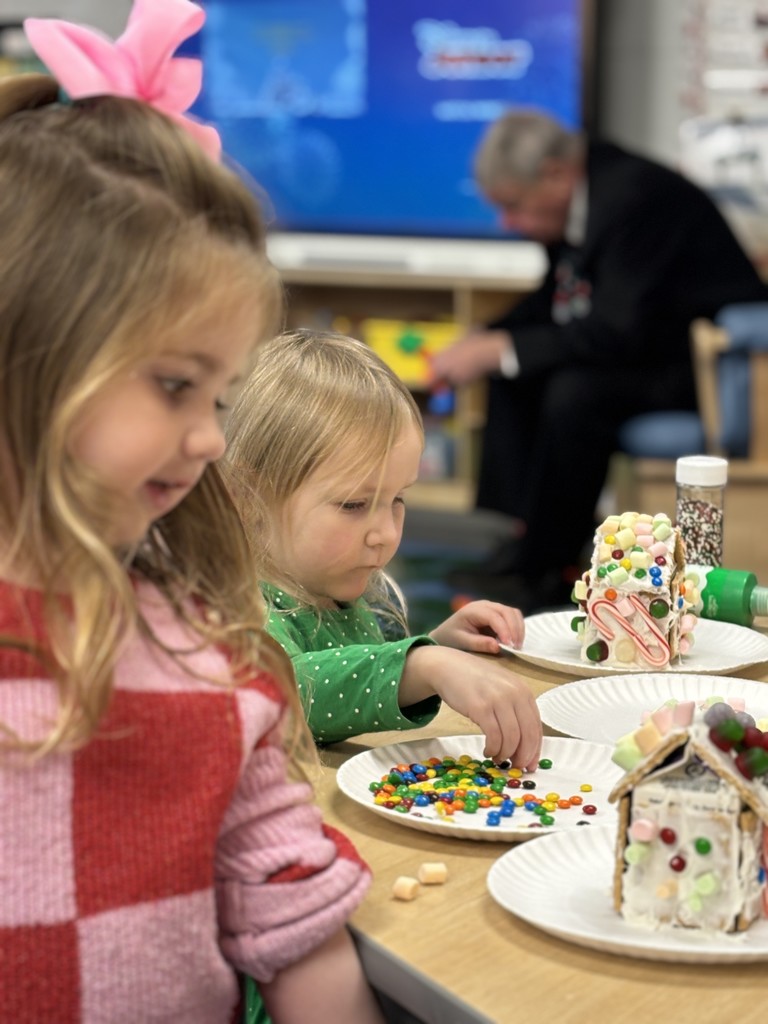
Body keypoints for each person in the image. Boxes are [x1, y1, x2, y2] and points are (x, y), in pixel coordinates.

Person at [0, 4, 386, 1023]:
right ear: (23, 355)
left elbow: (304, 934)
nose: (214, 438)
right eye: (176, 385)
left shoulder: (212, 663)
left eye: (218, 397)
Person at [431, 109, 768, 611]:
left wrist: (503, 347)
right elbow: (558, 300)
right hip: (644, 349)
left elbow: (618, 328)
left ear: (554, 173)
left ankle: (550, 568)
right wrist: (491, 339)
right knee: (512, 372)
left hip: (702, 371)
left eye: (513, 205)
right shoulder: (581, 198)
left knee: (575, 393)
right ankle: (516, 542)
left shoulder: (634, 198)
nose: (507, 222)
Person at [223, 329, 542, 770]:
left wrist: (439, 644)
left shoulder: (343, 582)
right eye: (353, 504)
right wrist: (423, 665)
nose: (386, 534)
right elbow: (289, 690)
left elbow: (357, 673)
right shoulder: (234, 603)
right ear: (248, 497)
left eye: (397, 500)